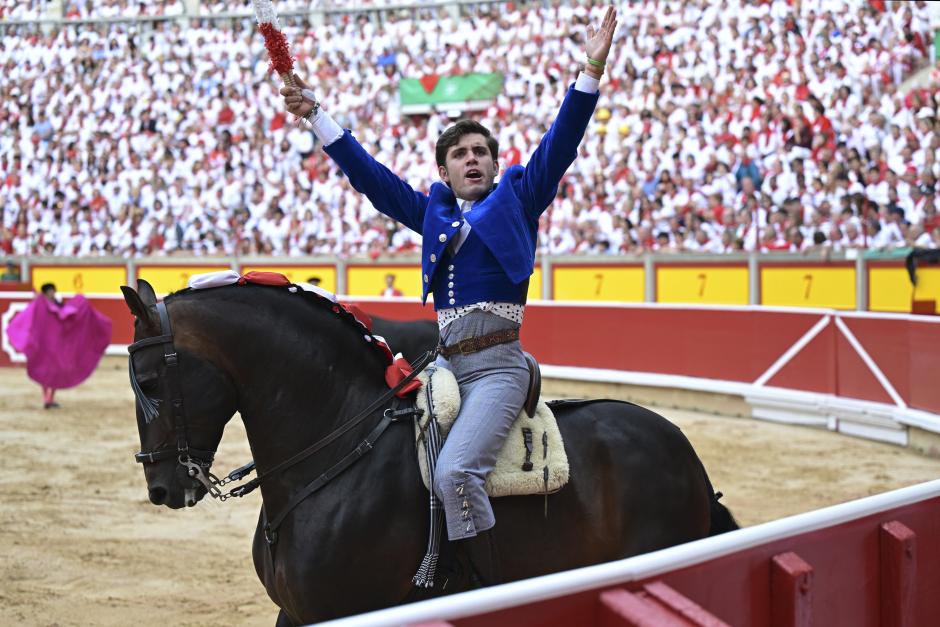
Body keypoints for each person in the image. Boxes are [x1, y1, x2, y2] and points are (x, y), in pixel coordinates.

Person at [281, 6, 617, 545]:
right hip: (442, 369)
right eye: (460, 154)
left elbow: (562, 142)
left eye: (482, 151)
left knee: (455, 473)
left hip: (498, 370)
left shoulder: (520, 198)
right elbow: (371, 178)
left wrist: (591, 71)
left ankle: (482, 586)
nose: (473, 159)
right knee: (391, 469)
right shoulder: (432, 214)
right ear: (445, 171)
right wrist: (316, 115)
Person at [5, 282, 112, 409]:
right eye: (50, 292)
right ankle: (46, 399)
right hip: (43, 344)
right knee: (46, 370)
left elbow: (66, 317)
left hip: (56, 345)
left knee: (56, 371)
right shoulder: (39, 306)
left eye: (53, 291)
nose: (52, 294)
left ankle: (50, 398)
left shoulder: (57, 305)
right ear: (45, 293)